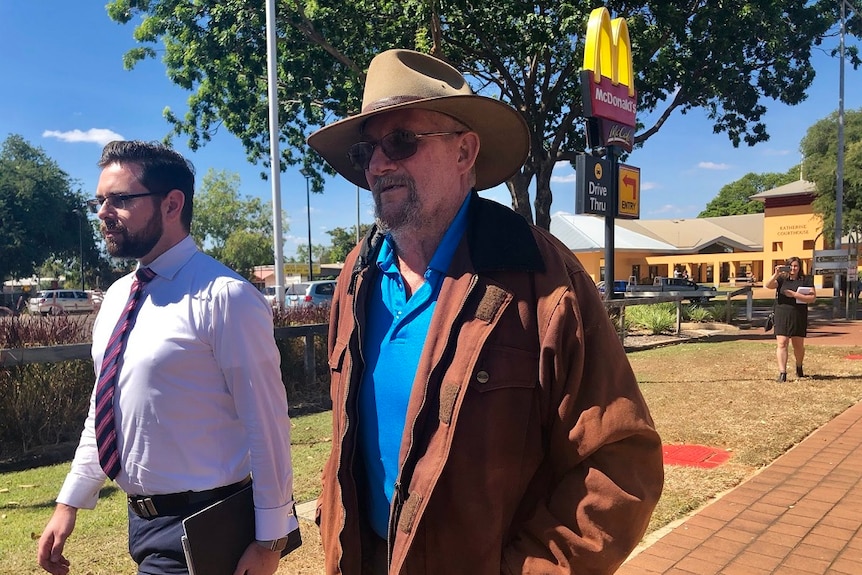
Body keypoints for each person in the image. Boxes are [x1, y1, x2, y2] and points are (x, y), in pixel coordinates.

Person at [307, 49, 664, 574]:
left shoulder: (539, 277)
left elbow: (620, 463)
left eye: (402, 140)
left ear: (465, 151)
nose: (379, 164)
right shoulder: (355, 276)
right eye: (366, 151)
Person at [37, 141, 298, 575]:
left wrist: (271, 537)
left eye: (120, 199)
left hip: (206, 524)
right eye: (99, 200)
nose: (103, 211)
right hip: (142, 524)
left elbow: (267, 424)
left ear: (172, 203)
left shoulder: (226, 297)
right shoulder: (118, 296)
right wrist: (70, 501)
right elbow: (105, 409)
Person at [765, 256, 816, 382]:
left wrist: (795, 295)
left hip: (798, 314)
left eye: (796, 266)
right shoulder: (782, 279)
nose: (793, 268)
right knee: (782, 343)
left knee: (798, 345)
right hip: (782, 313)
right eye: (791, 266)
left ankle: (799, 366)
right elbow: (768, 285)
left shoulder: (806, 279)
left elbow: (812, 298)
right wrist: (776, 274)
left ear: (799, 267)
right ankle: (782, 373)